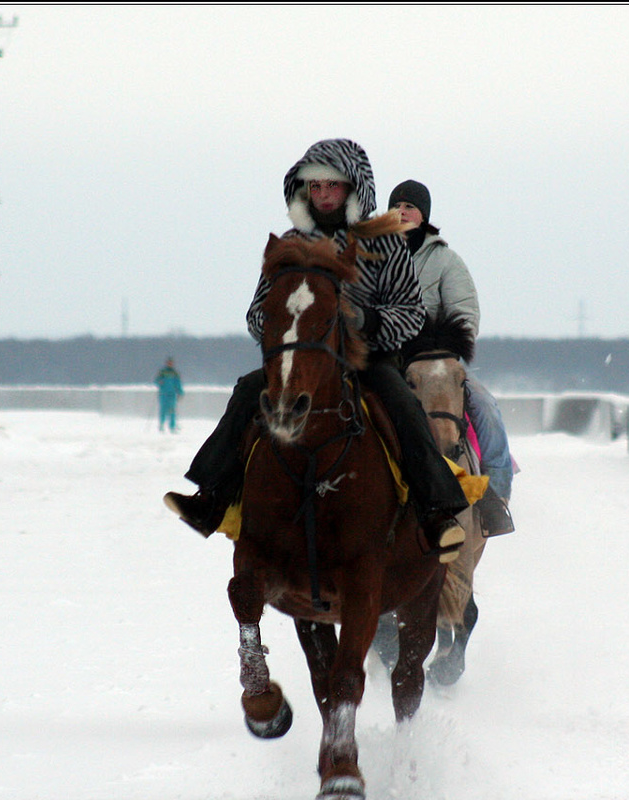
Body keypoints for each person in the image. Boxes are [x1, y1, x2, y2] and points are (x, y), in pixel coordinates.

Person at [164, 139, 468, 561]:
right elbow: (257, 312)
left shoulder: (385, 241)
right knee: (248, 391)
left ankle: (437, 511)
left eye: (332, 186)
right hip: (302, 362)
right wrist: (280, 330)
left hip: (369, 360)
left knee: (401, 403)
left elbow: (411, 313)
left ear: (353, 187)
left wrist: (364, 324)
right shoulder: (290, 242)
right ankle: (212, 497)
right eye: (315, 186)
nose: (323, 195)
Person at [388, 179, 516, 536]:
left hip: (435, 364)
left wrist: (438, 349)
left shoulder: (445, 260)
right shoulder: (371, 258)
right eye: (395, 205)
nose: (401, 211)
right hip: (384, 363)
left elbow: (464, 314)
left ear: (424, 214)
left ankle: (493, 500)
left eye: (409, 205)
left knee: (486, 408)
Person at [154, 357, 184, 432]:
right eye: (169, 363)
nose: (170, 364)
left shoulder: (175, 373)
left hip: (172, 395)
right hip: (163, 394)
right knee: (163, 410)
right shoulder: (162, 372)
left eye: (171, 363)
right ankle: (161, 425)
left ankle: (172, 427)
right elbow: (156, 381)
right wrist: (159, 382)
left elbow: (178, 383)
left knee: (172, 411)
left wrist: (180, 392)